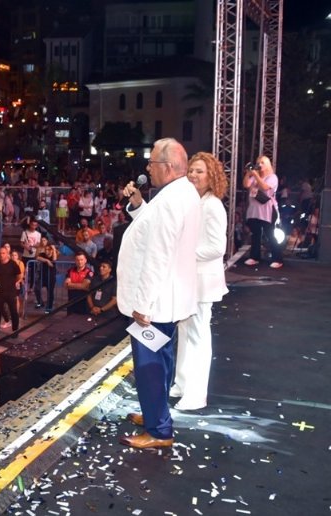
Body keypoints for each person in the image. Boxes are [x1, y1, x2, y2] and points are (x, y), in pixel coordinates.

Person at [117, 137, 200, 449]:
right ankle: (156, 412)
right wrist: (138, 204)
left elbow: (157, 255)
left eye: (151, 163)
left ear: (166, 167)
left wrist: (143, 305)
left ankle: (159, 430)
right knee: (161, 361)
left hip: (157, 301)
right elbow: (154, 229)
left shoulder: (171, 200)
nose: (148, 169)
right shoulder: (180, 194)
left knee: (149, 365)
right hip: (169, 297)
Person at [172, 152, 229, 411]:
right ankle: (182, 383)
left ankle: (196, 394)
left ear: (212, 177)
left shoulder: (213, 205)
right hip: (189, 278)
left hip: (203, 280)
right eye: (191, 170)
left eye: (200, 171)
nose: (193, 175)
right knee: (185, 332)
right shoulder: (194, 202)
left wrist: (184, 253)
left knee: (198, 337)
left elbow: (218, 247)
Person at [244, 155, 283, 268]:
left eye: (262, 163)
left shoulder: (272, 177)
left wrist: (255, 175)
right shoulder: (254, 176)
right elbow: (246, 184)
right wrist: (248, 173)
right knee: (255, 234)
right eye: (258, 162)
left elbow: (265, 187)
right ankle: (254, 257)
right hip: (254, 210)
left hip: (267, 210)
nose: (259, 165)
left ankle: (277, 258)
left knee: (269, 234)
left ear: (267, 165)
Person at [0, 246, 22, 333]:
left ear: (7, 254)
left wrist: (15, 283)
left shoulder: (13, 264)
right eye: (0, 253)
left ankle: (15, 330)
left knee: (13, 311)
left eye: (3, 253)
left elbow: (19, 275)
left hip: (10, 292)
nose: (1, 255)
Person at [64, 250, 93, 315]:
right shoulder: (70, 271)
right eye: (77, 260)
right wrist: (81, 286)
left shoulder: (89, 272)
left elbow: (85, 286)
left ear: (85, 260)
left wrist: (71, 285)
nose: (80, 262)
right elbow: (66, 285)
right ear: (75, 261)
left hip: (84, 303)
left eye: (81, 260)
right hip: (71, 302)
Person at [34, 242, 59, 313]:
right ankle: (40, 302)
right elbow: (37, 257)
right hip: (42, 276)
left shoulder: (54, 254)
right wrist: (47, 260)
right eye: (46, 249)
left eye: (49, 249)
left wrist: (54, 249)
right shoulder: (43, 255)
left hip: (51, 277)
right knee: (36, 288)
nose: (47, 251)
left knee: (50, 292)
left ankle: (49, 307)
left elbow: (54, 260)